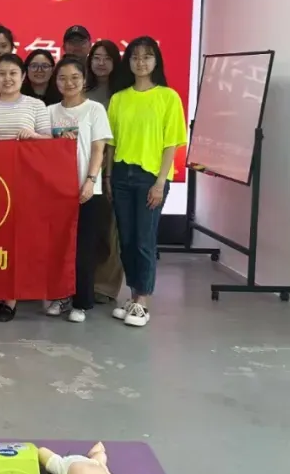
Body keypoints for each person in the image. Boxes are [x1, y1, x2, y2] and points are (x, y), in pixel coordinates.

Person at [106, 36, 187, 329]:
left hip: (150, 177)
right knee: (126, 241)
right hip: (120, 175)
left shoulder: (168, 97)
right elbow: (111, 143)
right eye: (135, 57)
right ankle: (133, 296)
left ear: (156, 61)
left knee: (144, 240)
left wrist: (160, 182)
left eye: (147, 56)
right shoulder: (119, 98)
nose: (141, 62)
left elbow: (171, 143)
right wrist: (108, 176)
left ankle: (143, 300)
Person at [0, 53, 52, 322]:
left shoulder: (36, 105)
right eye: (1, 73)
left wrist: (34, 137)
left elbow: (52, 144)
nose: (7, 78)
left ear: (23, 76)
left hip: (25, 184)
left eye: (13, 73)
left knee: (18, 242)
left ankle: (12, 298)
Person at [47, 56, 110, 324]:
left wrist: (90, 180)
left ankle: (81, 303)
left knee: (83, 250)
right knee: (58, 248)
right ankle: (61, 297)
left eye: (74, 77)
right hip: (56, 192)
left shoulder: (94, 109)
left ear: (84, 80)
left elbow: (98, 149)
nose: (69, 83)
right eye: (62, 78)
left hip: (87, 191)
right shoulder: (49, 111)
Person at [85, 40, 125, 305]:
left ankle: (106, 286)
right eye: (96, 58)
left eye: (107, 58)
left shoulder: (121, 94)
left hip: (114, 165)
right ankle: (84, 281)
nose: (101, 63)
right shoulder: (83, 91)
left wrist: (108, 173)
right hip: (86, 167)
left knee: (112, 230)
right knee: (91, 229)